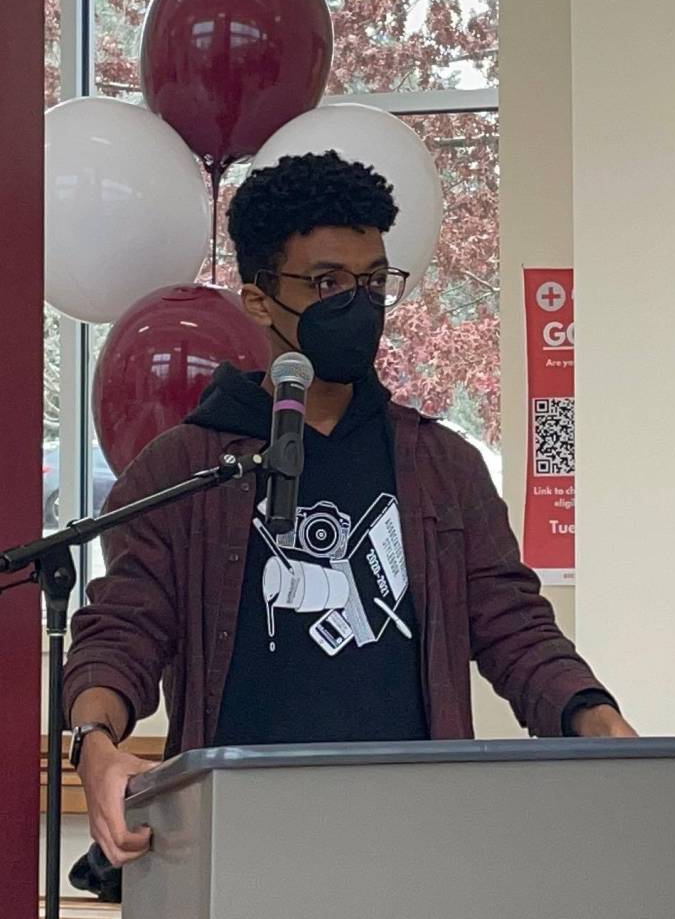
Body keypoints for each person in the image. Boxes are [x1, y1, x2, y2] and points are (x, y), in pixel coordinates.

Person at [64, 151, 636, 869]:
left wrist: (593, 715)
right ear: (258, 298)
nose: (357, 304)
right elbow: (122, 628)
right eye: (327, 282)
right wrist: (96, 744)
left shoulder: (443, 467)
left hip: (415, 837)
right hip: (236, 840)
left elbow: (513, 624)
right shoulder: (185, 469)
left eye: (371, 281)